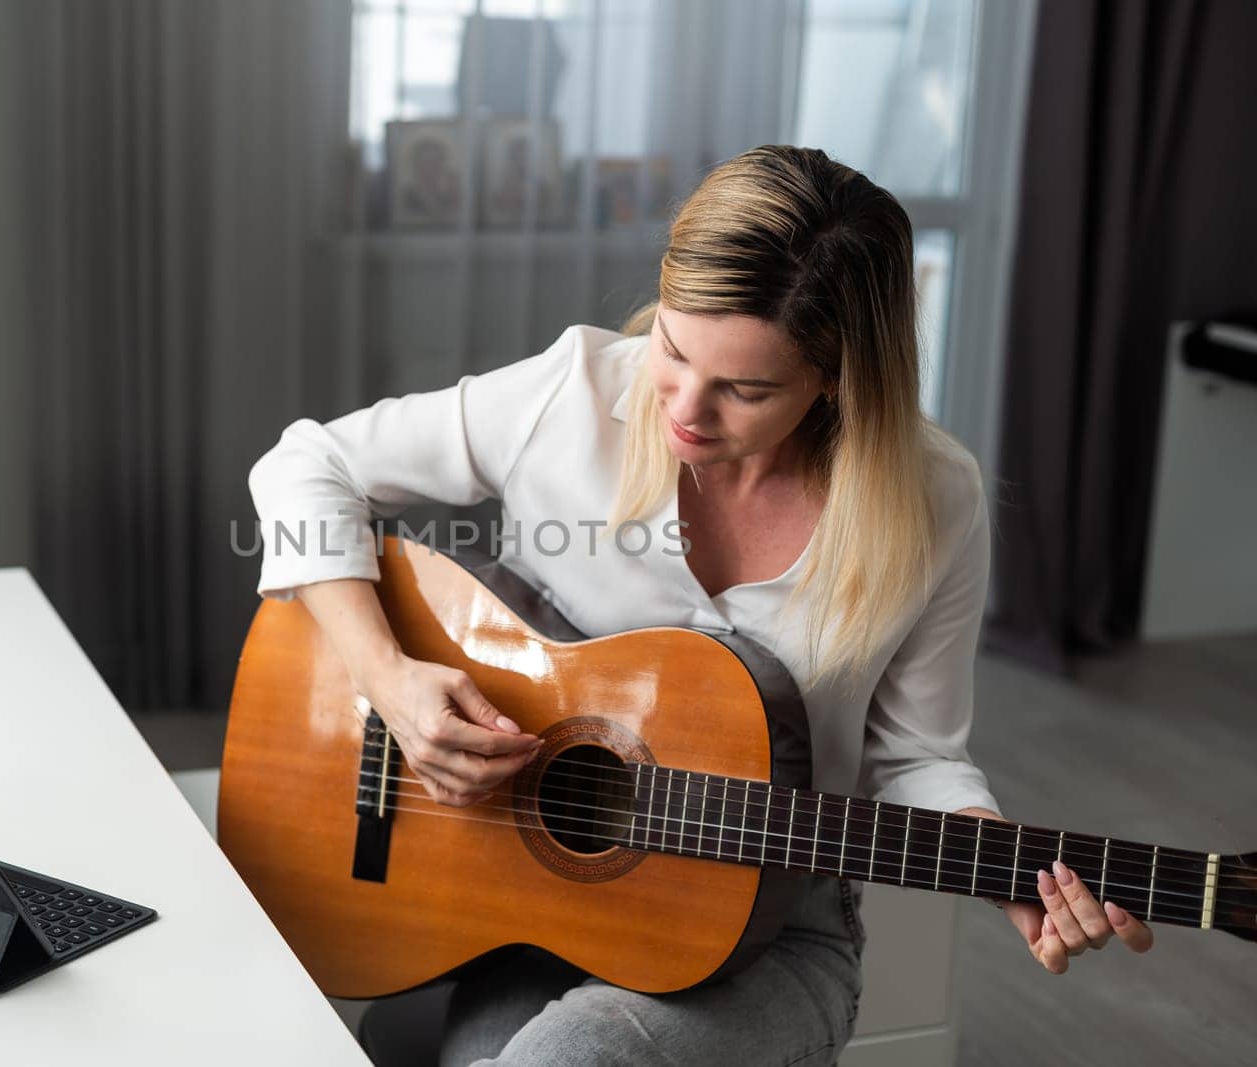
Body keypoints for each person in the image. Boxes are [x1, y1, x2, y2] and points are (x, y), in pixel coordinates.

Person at [245, 145, 1153, 1066]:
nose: (683, 408)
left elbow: (915, 752)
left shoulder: (935, 500)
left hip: (767, 928)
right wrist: (386, 678)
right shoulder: (575, 394)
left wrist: (1006, 870)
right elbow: (307, 464)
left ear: (839, 378)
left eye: (747, 389)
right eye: (674, 350)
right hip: (530, 899)